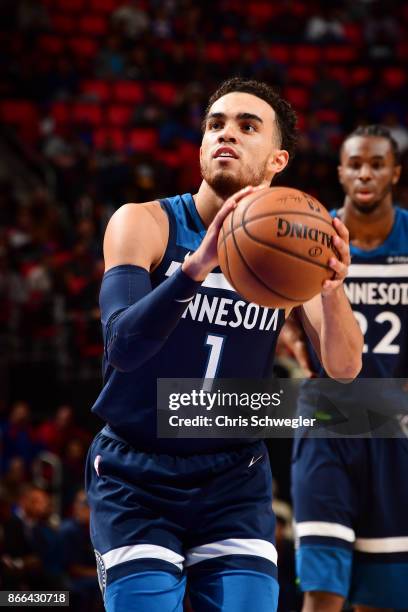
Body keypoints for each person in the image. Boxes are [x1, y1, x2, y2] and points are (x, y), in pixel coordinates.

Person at [85, 77, 363, 612]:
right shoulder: (145, 222)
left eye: (246, 125)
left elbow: (346, 370)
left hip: (233, 476)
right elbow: (121, 346)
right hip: (136, 473)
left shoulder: (294, 244)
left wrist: (332, 289)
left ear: (277, 159)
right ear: (200, 148)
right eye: (215, 125)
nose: (225, 134)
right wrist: (194, 269)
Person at [290, 125, 408, 611]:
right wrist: (291, 331)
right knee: (322, 592)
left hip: (396, 429)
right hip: (328, 421)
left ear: (395, 173)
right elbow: (282, 306)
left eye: (376, 163)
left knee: (380, 601)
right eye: (355, 163)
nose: (365, 173)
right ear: (340, 171)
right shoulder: (308, 239)